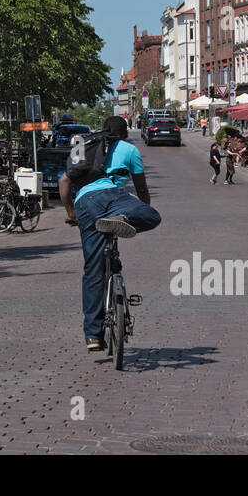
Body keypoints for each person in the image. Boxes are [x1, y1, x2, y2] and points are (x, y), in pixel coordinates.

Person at [59, 116, 161, 353]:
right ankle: (120, 220)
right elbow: (141, 188)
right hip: (115, 200)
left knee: (92, 269)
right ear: (125, 133)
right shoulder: (129, 149)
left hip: (86, 203)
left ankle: (93, 336)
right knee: (153, 217)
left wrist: (71, 213)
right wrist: (140, 210)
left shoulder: (84, 145)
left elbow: (64, 181)